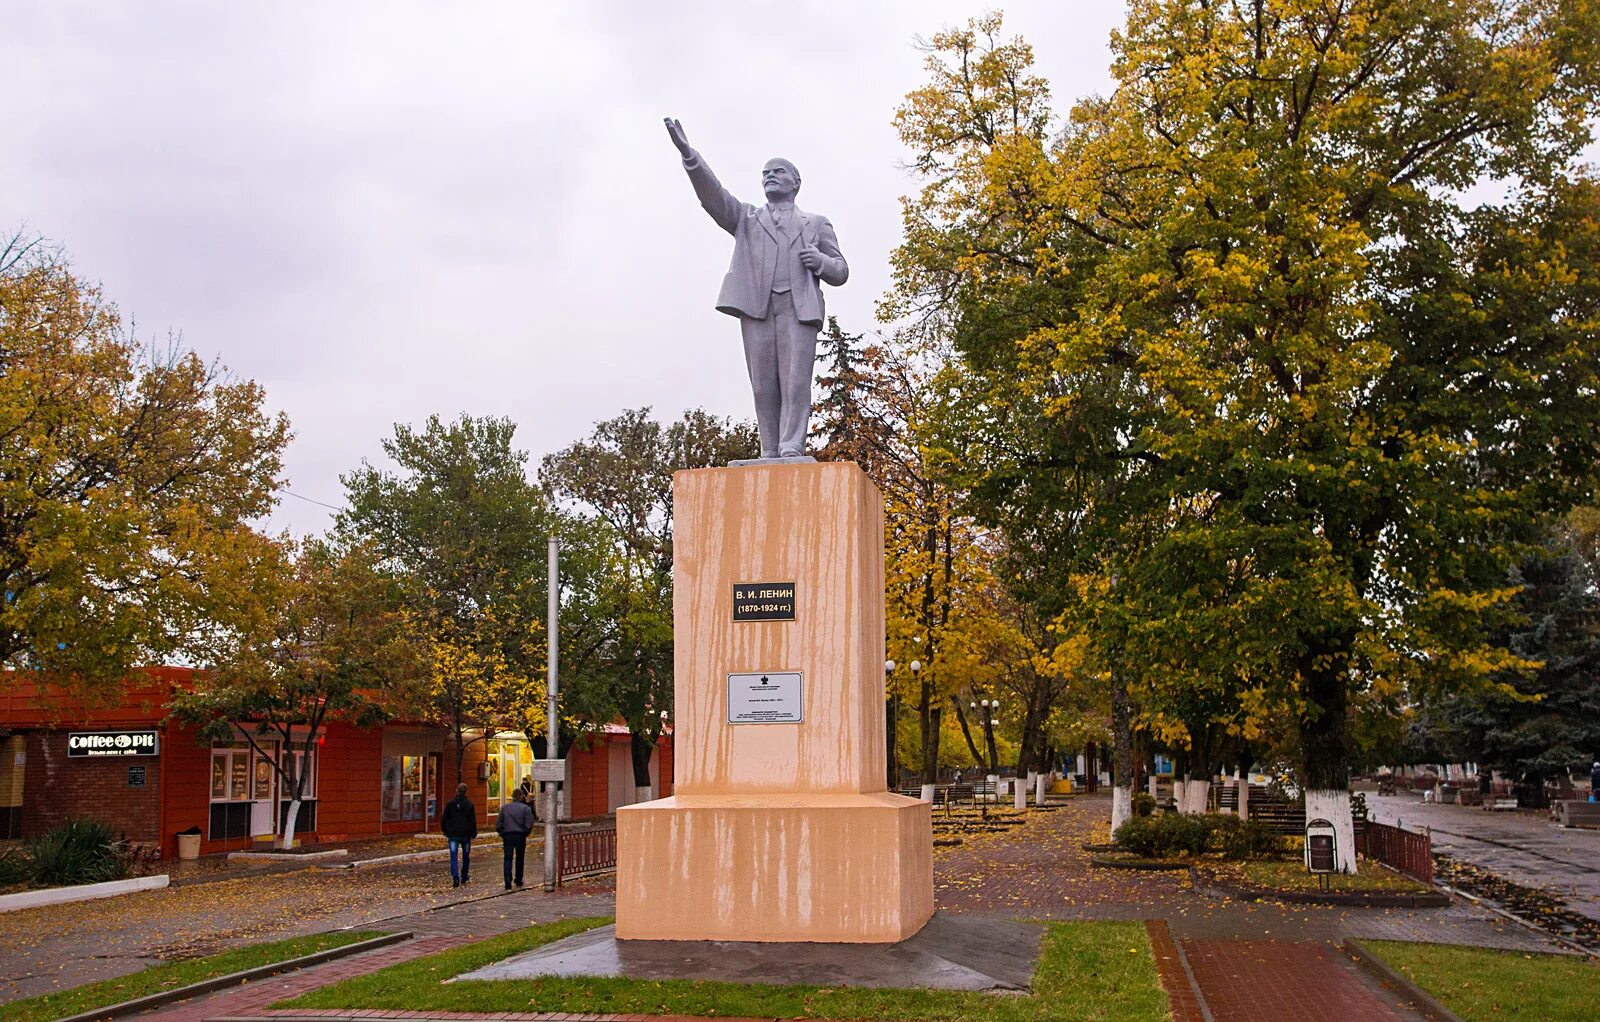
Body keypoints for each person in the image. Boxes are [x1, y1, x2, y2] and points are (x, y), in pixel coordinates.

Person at [665, 116, 849, 460]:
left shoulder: (816, 223)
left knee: (795, 383)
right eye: (765, 172)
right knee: (763, 384)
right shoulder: (747, 219)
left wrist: (820, 263)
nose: (769, 176)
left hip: (799, 308)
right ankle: (769, 448)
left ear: (796, 182)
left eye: (777, 171)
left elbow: (841, 271)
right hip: (758, 308)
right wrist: (690, 156)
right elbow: (715, 198)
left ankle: (791, 444)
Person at [439, 782, 477, 888]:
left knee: (453, 856)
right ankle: (464, 876)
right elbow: (472, 821)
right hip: (465, 835)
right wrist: (473, 833)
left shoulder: (450, 804)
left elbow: (444, 819)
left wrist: (446, 831)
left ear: (457, 790)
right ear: (466, 792)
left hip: (453, 834)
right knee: (466, 856)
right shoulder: (469, 804)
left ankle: (455, 877)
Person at [496, 788, 535, 890]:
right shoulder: (525, 808)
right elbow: (529, 824)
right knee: (520, 858)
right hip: (520, 835)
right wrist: (525, 833)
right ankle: (518, 880)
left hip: (508, 835)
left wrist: (503, 833)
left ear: (512, 796)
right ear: (521, 796)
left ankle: (507, 881)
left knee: (507, 858)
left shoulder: (505, 808)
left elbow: (499, 824)